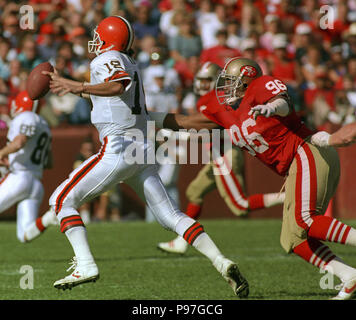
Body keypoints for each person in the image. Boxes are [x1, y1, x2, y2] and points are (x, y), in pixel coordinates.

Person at [42, 16, 249, 298]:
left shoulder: (108, 59)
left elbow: (117, 85)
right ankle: (221, 261)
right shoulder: (130, 63)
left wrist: (77, 86)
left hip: (120, 146)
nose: (95, 41)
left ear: (108, 38)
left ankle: (86, 264)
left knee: (61, 200)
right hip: (140, 147)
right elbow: (128, 102)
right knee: (171, 217)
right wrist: (222, 122)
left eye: (99, 36)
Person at [155, 57, 356, 300]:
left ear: (246, 79)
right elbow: (185, 122)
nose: (225, 87)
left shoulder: (261, 86)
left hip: (307, 150)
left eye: (231, 82)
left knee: (305, 220)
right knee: (293, 239)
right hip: (294, 165)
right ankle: (349, 277)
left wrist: (271, 108)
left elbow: (282, 101)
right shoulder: (224, 110)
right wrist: (145, 118)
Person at [158, 62, 285, 254]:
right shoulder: (209, 99)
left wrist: (177, 136)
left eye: (206, 80)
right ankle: (182, 241)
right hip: (218, 154)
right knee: (194, 192)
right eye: (199, 80)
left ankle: (286, 197)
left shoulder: (214, 100)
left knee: (239, 205)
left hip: (225, 153)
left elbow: (211, 133)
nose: (201, 84)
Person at [0, 91, 56, 243]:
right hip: (36, 184)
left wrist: (2, 153)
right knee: (24, 234)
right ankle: (47, 219)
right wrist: (11, 159)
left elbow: (19, 142)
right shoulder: (44, 124)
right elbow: (49, 162)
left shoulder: (26, 117)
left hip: (20, 178)